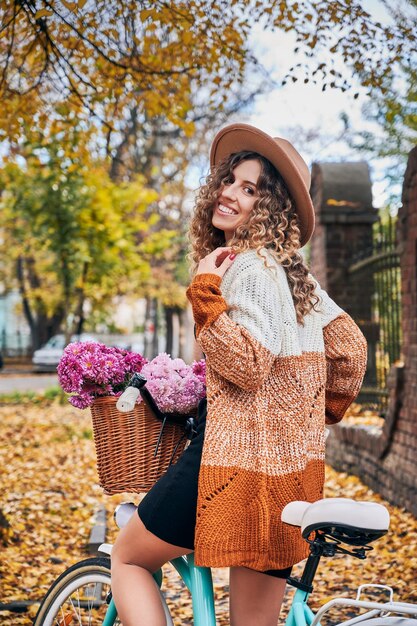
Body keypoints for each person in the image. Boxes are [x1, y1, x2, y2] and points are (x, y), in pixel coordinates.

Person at [111, 123, 368, 626]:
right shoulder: (298, 280)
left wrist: (206, 291)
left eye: (249, 189)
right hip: (290, 475)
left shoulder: (244, 268)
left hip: (228, 467)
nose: (229, 193)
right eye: (230, 180)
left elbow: (248, 367)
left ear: (267, 208)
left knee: (127, 557)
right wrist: (308, 412)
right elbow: (351, 351)